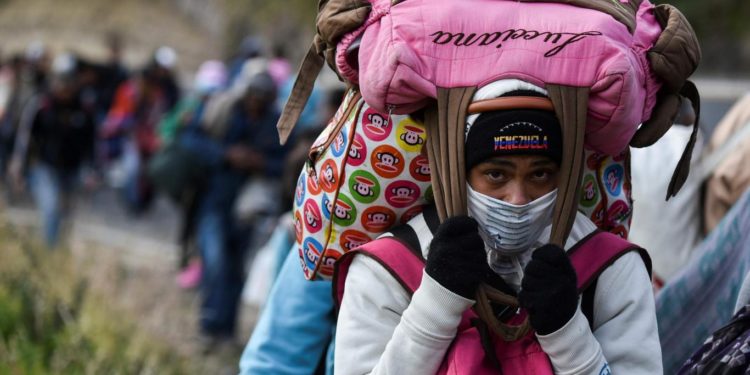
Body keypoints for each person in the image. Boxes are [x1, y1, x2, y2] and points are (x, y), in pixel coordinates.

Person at [334, 83, 661, 374]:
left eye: (540, 175)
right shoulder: (387, 269)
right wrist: (436, 304)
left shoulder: (610, 268)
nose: (518, 199)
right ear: (455, 170)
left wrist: (567, 332)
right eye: (496, 175)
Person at [180, 71, 289, 347]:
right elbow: (190, 140)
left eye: (262, 99)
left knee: (235, 269)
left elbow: (287, 163)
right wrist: (225, 154)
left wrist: (258, 162)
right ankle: (208, 325)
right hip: (213, 199)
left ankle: (226, 330)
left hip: (248, 207)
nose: (256, 103)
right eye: (253, 97)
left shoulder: (277, 123)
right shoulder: (223, 109)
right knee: (214, 262)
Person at [7, 53, 96, 247]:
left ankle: (57, 254)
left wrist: (92, 169)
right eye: (61, 80)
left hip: (72, 169)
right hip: (45, 167)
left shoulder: (84, 108)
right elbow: (25, 137)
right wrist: (18, 165)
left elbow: (91, 142)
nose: (65, 86)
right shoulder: (41, 105)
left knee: (66, 214)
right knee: (51, 207)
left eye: (69, 80)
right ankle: (49, 252)